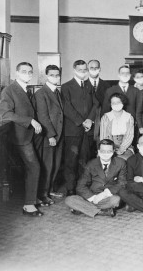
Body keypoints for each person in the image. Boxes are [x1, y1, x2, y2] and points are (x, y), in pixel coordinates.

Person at [0, 62, 44, 216]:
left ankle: (32, 198)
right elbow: (6, 115)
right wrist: (30, 121)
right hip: (19, 136)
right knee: (34, 167)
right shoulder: (9, 90)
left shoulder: (27, 89)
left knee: (33, 168)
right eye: (24, 71)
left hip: (29, 135)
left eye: (30, 72)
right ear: (16, 73)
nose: (27, 74)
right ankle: (29, 204)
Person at [61, 60, 99, 197]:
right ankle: (71, 189)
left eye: (85, 70)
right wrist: (81, 121)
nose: (83, 72)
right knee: (71, 160)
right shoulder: (66, 87)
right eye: (80, 70)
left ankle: (82, 188)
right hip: (73, 130)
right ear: (74, 70)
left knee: (85, 159)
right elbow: (66, 107)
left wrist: (90, 119)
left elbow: (96, 104)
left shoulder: (89, 85)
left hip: (87, 130)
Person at [65, 139, 126, 217]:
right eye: (103, 151)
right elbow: (80, 186)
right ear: (99, 151)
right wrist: (93, 198)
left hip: (108, 196)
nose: (106, 154)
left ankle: (85, 209)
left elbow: (122, 183)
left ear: (114, 151)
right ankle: (102, 212)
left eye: (109, 151)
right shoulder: (91, 164)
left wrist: (104, 194)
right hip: (92, 196)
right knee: (69, 200)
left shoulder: (121, 163)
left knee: (116, 200)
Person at [34, 64, 64, 206]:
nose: (55, 77)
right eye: (52, 75)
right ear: (46, 76)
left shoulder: (57, 92)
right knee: (47, 165)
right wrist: (51, 135)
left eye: (57, 75)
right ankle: (43, 194)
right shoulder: (41, 93)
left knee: (56, 164)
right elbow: (43, 116)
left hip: (59, 135)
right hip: (49, 136)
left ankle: (50, 189)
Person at [100, 93, 135, 161]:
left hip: (126, 146)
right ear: (111, 104)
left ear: (123, 103)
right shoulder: (105, 117)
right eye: (113, 102)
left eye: (118, 102)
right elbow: (103, 136)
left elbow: (129, 136)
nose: (116, 104)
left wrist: (122, 149)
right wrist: (110, 149)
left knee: (127, 159)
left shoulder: (129, 117)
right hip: (108, 145)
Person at [87, 59, 110, 153]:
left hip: (102, 122)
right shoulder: (82, 85)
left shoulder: (107, 85)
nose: (94, 69)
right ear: (88, 69)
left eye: (96, 68)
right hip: (87, 122)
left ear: (100, 69)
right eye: (91, 68)